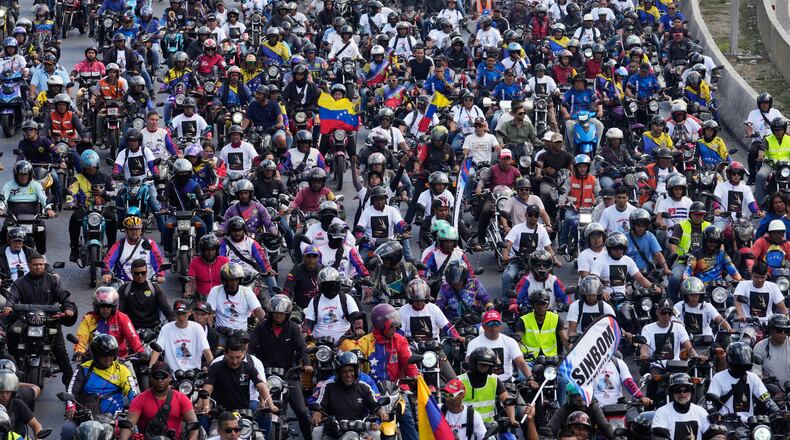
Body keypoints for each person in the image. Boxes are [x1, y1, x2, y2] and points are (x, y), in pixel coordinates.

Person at [338, 304, 419, 440]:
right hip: (369, 392)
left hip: (395, 390)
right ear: (381, 326)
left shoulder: (400, 340)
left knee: (407, 419)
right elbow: (353, 365)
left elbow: (408, 360)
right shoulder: (363, 343)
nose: (395, 330)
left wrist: (415, 376)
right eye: (391, 327)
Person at [4, 253, 74, 386]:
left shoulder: (53, 280)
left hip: (50, 321)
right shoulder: (20, 282)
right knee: (11, 336)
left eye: (41, 264)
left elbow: (65, 296)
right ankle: (13, 371)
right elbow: (12, 297)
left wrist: (68, 308)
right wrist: (8, 306)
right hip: (25, 320)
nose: (38, 267)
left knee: (60, 350)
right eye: (35, 265)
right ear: (29, 265)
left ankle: (71, 387)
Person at [250, 294, 312, 440]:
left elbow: (303, 348)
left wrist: (307, 364)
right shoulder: (261, 328)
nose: (278, 316)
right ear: (271, 313)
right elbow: (250, 348)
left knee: (302, 411)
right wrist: (249, 363)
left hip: (288, 374)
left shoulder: (294, 329)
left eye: (282, 314)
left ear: (287, 314)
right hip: (264, 375)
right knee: (253, 408)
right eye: (276, 313)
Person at [61, 335, 136, 440]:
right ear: (96, 355)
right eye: (104, 355)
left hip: (114, 420)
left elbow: (132, 391)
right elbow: (71, 390)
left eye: (111, 355)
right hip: (86, 419)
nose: (108, 358)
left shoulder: (122, 370)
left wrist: (136, 406)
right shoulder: (84, 368)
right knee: (67, 429)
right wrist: (71, 407)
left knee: (134, 430)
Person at [195, 338, 277, 432]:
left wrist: (271, 404)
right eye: (231, 357)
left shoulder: (249, 368)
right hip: (221, 415)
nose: (235, 361)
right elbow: (208, 387)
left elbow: (262, 386)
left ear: (243, 354)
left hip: (244, 415)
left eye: (238, 357)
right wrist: (206, 406)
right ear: (225, 354)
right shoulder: (216, 367)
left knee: (264, 421)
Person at [310, 351, 388, 440]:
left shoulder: (364, 387)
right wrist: (317, 414)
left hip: (360, 429)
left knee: (376, 434)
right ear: (338, 373)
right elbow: (319, 405)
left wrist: (381, 412)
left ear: (356, 371)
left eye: (351, 371)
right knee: (316, 432)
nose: (348, 375)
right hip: (334, 430)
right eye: (344, 372)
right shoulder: (328, 386)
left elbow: (374, 404)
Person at [121, 361, 199, 440]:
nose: (160, 380)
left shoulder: (182, 398)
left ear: (170, 378)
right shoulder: (139, 399)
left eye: (163, 376)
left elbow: (193, 423)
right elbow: (129, 424)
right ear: (151, 378)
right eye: (156, 376)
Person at [73, 287, 144, 370]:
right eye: (102, 306)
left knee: (133, 381)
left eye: (108, 307)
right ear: (97, 306)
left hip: (120, 360)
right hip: (95, 360)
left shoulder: (122, 318)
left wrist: (140, 351)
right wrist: (79, 351)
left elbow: (132, 336)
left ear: (113, 307)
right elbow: (81, 336)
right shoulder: (89, 319)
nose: (105, 310)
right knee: (79, 377)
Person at [708, 342, 780, 422]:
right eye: (739, 366)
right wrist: (714, 413)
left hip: (749, 423)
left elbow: (766, 398)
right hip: (726, 422)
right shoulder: (718, 377)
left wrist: (777, 412)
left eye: (745, 366)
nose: (742, 369)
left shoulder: (753, 377)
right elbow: (711, 402)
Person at [66, 150, 117, 261]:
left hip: (102, 209)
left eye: (93, 166)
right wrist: (70, 202)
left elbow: (114, 192)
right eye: (87, 167)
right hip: (84, 208)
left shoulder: (106, 177)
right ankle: (74, 248)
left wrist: (103, 193)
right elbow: (72, 192)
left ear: (97, 165)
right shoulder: (76, 178)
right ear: (83, 166)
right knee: (74, 219)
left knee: (113, 219)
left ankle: (112, 249)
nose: (90, 169)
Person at [0, 161, 55, 253]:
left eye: (25, 174)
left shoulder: (36, 185)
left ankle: (41, 255)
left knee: (41, 229)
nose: (23, 177)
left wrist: (49, 210)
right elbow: (3, 199)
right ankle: (2, 256)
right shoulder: (8, 185)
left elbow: (44, 199)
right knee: (5, 230)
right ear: (16, 175)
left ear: (30, 175)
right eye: (20, 174)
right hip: (13, 217)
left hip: (33, 216)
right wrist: (1, 209)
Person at [468, 310, 534, 382]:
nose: (494, 327)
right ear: (483, 326)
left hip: (506, 383)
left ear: (501, 326)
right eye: (490, 324)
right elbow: (469, 363)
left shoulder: (510, 341)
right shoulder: (473, 343)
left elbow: (521, 362)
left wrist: (530, 379)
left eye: (497, 323)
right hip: (483, 383)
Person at [148, 299, 213, 372]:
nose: (181, 317)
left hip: (194, 373)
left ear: (190, 312)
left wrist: (214, 369)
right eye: (178, 313)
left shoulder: (197, 328)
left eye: (184, 314)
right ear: (174, 313)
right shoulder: (166, 328)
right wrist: (151, 367)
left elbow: (206, 350)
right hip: (172, 374)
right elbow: (157, 350)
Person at [101, 216, 166, 284]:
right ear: (126, 231)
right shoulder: (119, 245)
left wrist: (160, 275)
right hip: (123, 284)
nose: (134, 232)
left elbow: (159, 261)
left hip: (147, 283)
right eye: (131, 229)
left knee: (159, 294)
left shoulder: (150, 244)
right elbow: (108, 260)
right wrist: (105, 273)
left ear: (141, 230)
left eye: (137, 229)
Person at [304, 267, 361, 343]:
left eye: (332, 285)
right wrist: (304, 332)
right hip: (318, 343)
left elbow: (355, 316)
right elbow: (309, 322)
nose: (330, 289)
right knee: (306, 353)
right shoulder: (315, 301)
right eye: (327, 286)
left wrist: (358, 328)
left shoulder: (347, 298)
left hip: (344, 341)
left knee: (354, 352)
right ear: (320, 286)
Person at [591, 232, 657, 299]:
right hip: (606, 298)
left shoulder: (628, 260)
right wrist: (601, 292)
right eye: (615, 248)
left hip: (624, 299)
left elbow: (641, 279)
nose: (619, 251)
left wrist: (653, 287)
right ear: (609, 248)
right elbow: (592, 279)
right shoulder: (601, 260)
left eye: (621, 248)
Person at [205, 262, 265, 332]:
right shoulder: (216, 291)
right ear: (224, 281)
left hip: (242, 334)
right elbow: (210, 314)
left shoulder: (246, 292)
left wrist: (266, 322)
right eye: (231, 280)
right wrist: (208, 332)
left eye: (236, 280)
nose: (234, 283)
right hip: (221, 332)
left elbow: (257, 310)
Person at [651, 373, 711, 440]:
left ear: (692, 392)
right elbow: (658, 435)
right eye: (677, 390)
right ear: (671, 393)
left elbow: (711, 433)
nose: (682, 394)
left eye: (686, 390)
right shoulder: (661, 412)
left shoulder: (701, 411)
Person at [118, 259, 174, 330]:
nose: (140, 276)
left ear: (147, 272)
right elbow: (119, 313)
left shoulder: (155, 288)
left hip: (153, 329)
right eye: (137, 273)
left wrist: (176, 327)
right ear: (132, 273)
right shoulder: (124, 289)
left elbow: (167, 309)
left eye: (143, 273)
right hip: (131, 330)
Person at [559, 154, 599, 251]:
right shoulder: (570, 180)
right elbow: (563, 192)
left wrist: (599, 203)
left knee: (593, 226)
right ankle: (563, 244)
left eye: (584, 166)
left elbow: (599, 194)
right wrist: (561, 202)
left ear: (588, 167)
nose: (582, 169)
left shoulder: (593, 180)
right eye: (580, 166)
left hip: (588, 210)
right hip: (573, 209)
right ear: (576, 167)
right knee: (567, 219)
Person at [627, 208, 672, 274]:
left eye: (643, 226)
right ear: (633, 225)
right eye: (638, 226)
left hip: (647, 273)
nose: (640, 228)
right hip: (628, 274)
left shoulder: (649, 236)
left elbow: (658, 254)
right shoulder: (624, 238)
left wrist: (666, 269)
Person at [186, 234, 230, 298]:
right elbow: (190, 280)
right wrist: (189, 291)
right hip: (200, 298)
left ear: (216, 250)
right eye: (207, 250)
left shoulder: (224, 261)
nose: (210, 252)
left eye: (213, 250)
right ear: (202, 251)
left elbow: (230, 278)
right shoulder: (195, 262)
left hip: (221, 297)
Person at [0, 370, 41, 436]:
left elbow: (36, 425)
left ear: (13, 392)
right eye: (1, 392)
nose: (4, 395)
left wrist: (38, 438)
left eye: (7, 392)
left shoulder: (18, 404)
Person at [753, 314, 790, 387]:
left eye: (786, 331)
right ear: (771, 330)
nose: (783, 333)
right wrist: (764, 380)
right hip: (767, 391)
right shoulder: (759, 347)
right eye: (779, 330)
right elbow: (755, 373)